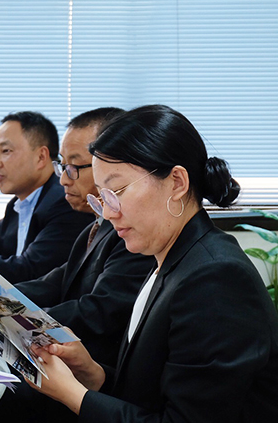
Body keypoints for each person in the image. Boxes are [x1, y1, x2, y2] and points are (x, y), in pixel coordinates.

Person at [28, 105, 278, 422]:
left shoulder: (216, 278)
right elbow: (150, 392)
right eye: (102, 197)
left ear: (176, 183)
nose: (108, 212)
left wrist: (75, 395)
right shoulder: (170, 258)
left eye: (117, 190)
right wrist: (93, 374)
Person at [0, 107, 155, 422]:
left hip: (99, 371)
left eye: (75, 166)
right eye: (61, 166)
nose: (63, 178)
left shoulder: (133, 235)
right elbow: (53, 282)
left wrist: (13, 317)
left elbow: (100, 310)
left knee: (1, 391)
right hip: (78, 363)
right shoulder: (95, 226)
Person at [0, 111, 94, 283]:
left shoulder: (66, 200)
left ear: (41, 157)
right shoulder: (18, 204)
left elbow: (30, 270)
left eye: (5, 151)